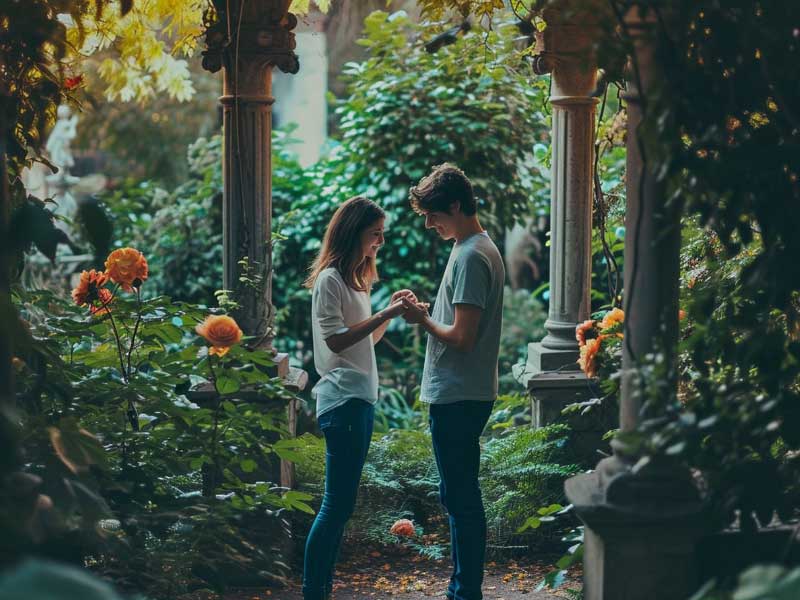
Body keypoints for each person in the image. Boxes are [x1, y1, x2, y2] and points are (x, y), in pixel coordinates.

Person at [401, 164, 505, 600]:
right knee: (457, 492)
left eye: (433, 215)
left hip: (459, 393)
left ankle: (465, 592)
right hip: (466, 391)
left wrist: (422, 319)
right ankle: (463, 588)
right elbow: (463, 327)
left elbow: (462, 338)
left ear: (456, 205)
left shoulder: (470, 256)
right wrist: (431, 316)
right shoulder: (475, 248)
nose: (429, 224)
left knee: (460, 497)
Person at [302, 196, 414, 600]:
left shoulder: (355, 281)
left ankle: (320, 590)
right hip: (342, 400)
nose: (380, 242)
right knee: (336, 505)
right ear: (354, 234)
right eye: (375, 234)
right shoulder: (331, 279)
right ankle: (314, 592)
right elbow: (334, 340)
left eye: (382, 234)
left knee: (341, 506)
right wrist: (383, 314)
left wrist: (387, 311)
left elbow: (365, 340)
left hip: (359, 399)